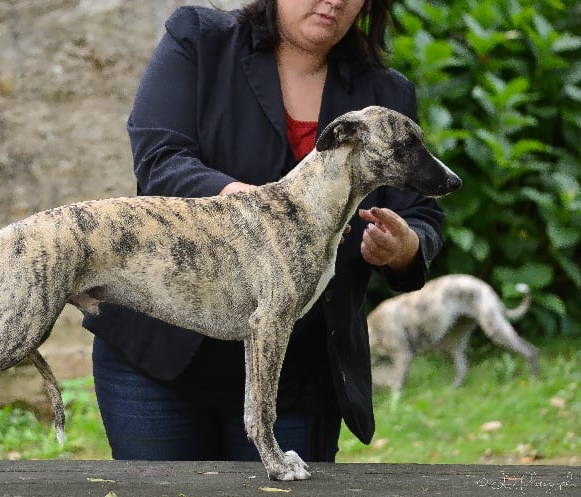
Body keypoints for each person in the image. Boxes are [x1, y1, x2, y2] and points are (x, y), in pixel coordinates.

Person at [83, 0, 446, 463]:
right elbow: (161, 157)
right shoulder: (199, 39)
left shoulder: (387, 95)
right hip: (161, 354)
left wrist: (405, 246)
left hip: (298, 369)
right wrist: (254, 209)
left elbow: (421, 216)